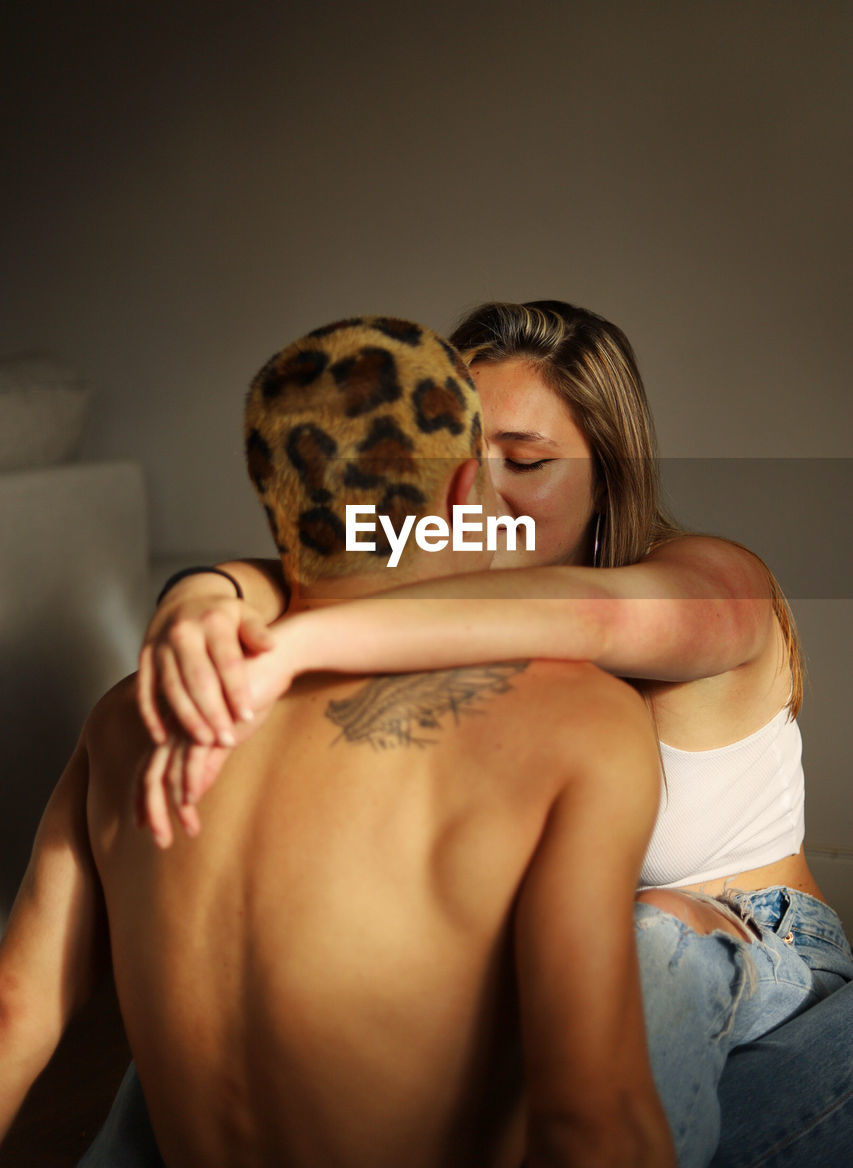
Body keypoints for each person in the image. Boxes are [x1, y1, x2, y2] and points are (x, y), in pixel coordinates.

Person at [132, 300, 852, 1166]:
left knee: (642, 940)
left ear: (608, 475)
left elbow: (592, 616)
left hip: (765, 980)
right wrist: (207, 593)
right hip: (544, 997)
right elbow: (321, 571)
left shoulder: (712, 576)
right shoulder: (420, 622)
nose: (482, 494)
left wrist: (290, 637)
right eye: (463, 461)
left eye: (528, 461)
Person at [0, 317, 674, 1167]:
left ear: (274, 490)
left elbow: (12, 1014)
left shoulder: (130, 719)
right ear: (467, 490)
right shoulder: (580, 721)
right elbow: (591, 1122)